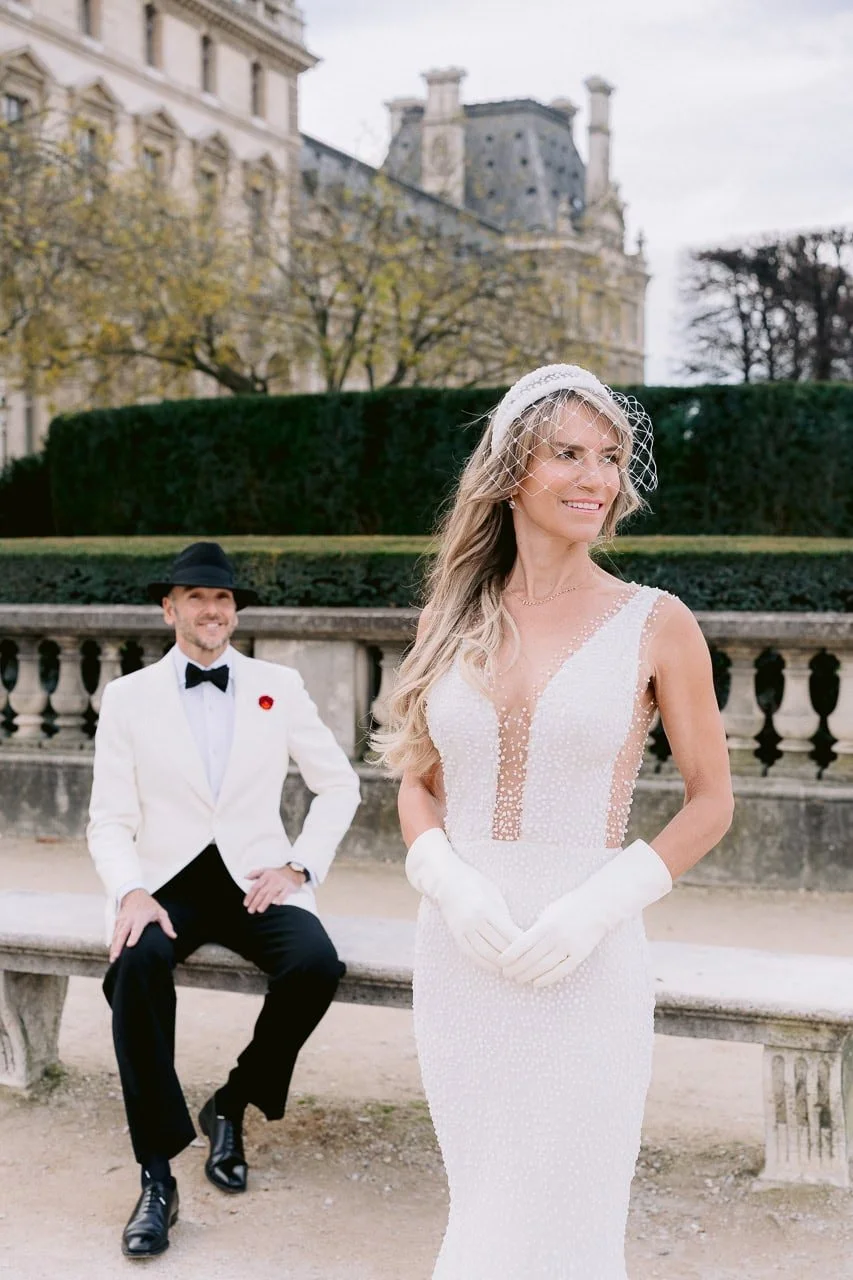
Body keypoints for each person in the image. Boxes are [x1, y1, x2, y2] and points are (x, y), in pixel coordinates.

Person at [374, 365, 734, 1279]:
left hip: (588, 958)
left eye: (608, 457)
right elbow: (416, 782)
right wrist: (446, 883)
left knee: (567, 1226)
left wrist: (598, 904)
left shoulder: (657, 622)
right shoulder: (450, 616)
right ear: (508, 473)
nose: (594, 477)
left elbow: (711, 800)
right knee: (482, 1214)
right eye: (566, 454)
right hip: (462, 960)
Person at [87, 541, 361, 1259]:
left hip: (253, 877)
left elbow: (340, 784)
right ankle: (155, 1178)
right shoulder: (128, 697)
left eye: (223, 599)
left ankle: (230, 1104)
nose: (213, 610)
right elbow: (109, 818)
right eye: (197, 598)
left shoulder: (279, 684)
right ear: (169, 607)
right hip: (165, 883)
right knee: (136, 966)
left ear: (233, 611)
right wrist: (131, 891)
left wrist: (300, 866)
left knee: (315, 965)